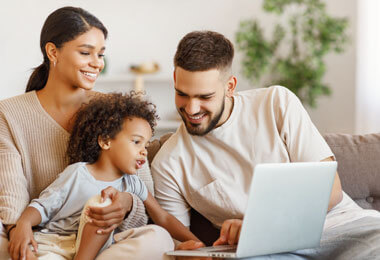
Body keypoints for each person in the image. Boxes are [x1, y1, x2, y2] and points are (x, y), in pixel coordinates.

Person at [0, 7, 173, 260]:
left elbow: (145, 192)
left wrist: (125, 204)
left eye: (101, 54)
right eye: (86, 52)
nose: (97, 63)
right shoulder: (7, 112)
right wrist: (19, 230)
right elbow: (10, 194)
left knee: (158, 239)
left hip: (106, 240)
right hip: (40, 239)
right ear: (53, 52)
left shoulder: (116, 111)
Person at [151, 30, 380, 259]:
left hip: (345, 227)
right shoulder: (168, 163)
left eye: (205, 97)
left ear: (230, 86)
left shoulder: (276, 103)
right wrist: (185, 251)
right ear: (174, 80)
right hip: (268, 252)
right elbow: (182, 243)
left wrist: (257, 225)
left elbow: (331, 191)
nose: (191, 109)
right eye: (182, 94)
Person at [8, 93, 200, 260]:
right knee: (103, 201)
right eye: (136, 142)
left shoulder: (133, 183)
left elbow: (163, 218)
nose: (144, 152)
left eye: (146, 146)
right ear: (105, 141)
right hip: (56, 245)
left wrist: (199, 243)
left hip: (102, 250)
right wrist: (23, 224)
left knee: (160, 237)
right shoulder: (77, 173)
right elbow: (42, 206)